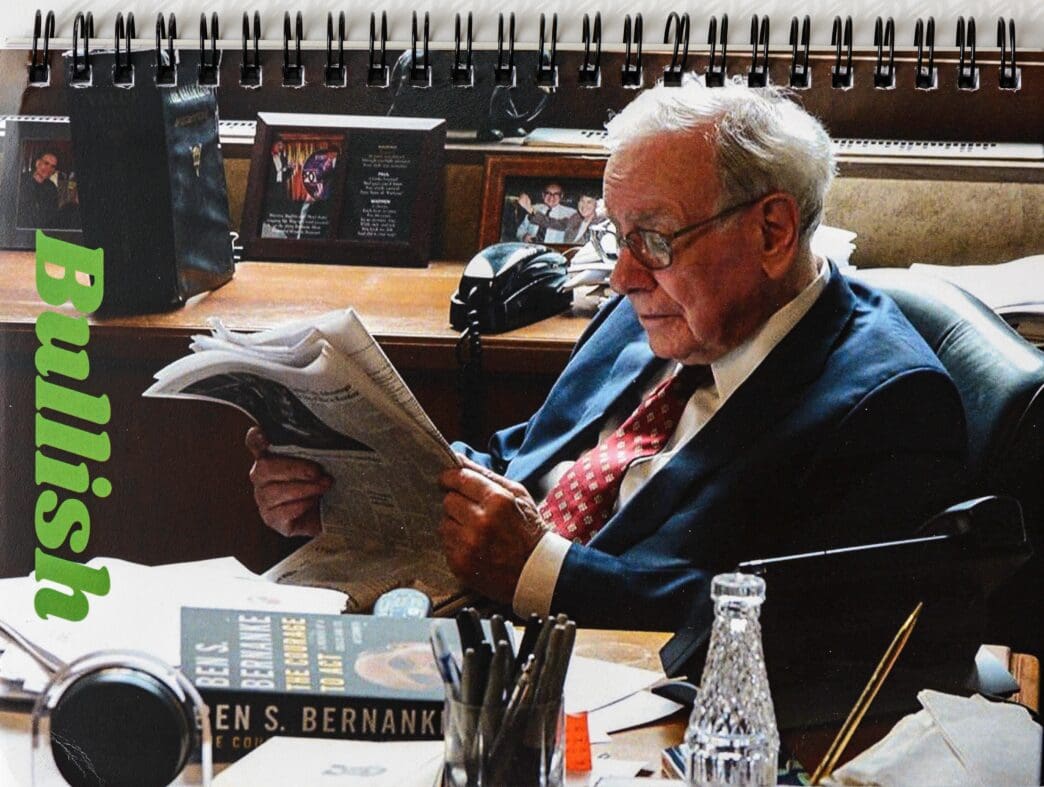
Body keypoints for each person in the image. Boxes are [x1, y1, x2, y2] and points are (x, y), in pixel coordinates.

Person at [247, 80, 967, 630]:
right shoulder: (652, 311)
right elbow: (527, 456)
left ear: (773, 231)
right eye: (617, 237)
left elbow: (791, 620)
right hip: (467, 628)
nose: (622, 276)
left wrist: (541, 570)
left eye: (654, 238)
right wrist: (347, 490)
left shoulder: (891, 404)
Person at [519, 193, 602, 245]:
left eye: (589, 202)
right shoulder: (575, 218)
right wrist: (530, 209)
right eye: (582, 201)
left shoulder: (601, 223)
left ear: (596, 205)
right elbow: (552, 223)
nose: (584, 206)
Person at [18, 150, 61, 228]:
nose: (49, 169)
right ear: (37, 163)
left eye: (52, 166)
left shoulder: (52, 188)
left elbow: (53, 216)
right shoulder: (20, 181)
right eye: (46, 163)